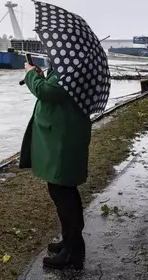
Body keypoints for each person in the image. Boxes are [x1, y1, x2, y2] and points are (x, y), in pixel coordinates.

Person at [19, 62, 92, 270]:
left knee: (63, 192)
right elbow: (53, 87)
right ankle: (72, 241)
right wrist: (42, 74)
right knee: (65, 190)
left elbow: (46, 91)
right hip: (63, 135)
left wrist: (31, 75)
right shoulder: (70, 66)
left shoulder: (70, 68)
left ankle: (72, 251)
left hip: (63, 139)